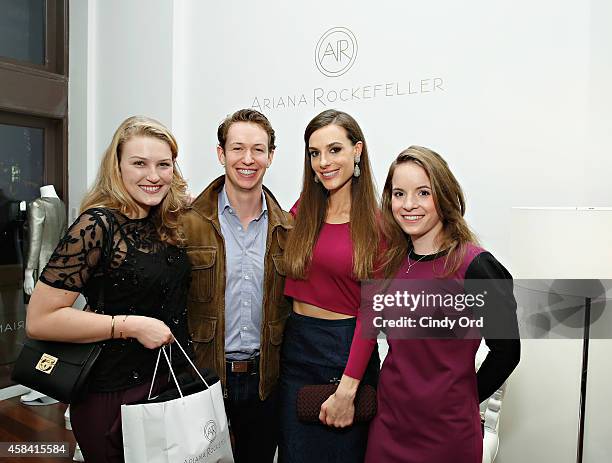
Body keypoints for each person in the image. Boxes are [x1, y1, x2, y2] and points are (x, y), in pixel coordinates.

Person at [25, 115, 191, 463]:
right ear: (117, 166)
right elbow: (41, 320)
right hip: (113, 395)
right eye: (139, 163)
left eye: (164, 164)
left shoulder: (164, 221)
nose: (153, 175)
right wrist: (129, 325)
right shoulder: (96, 225)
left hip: (166, 382)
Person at [348, 146, 521, 462]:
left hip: (448, 436)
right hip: (387, 430)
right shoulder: (389, 264)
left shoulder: (477, 267)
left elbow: (508, 352)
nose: (409, 204)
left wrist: (462, 399)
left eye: (422, 193)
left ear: (443, 195)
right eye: (399, 194)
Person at [181, 109, 293, 463]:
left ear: (271, 156)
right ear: (221, 153)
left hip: (265, 382)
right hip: (202, 375)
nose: (248, 159)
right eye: (237, 148)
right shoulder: (187, 224)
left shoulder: (288, 230)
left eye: (258, 150)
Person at [279, 109, 381, 462]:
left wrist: (348, 388)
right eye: (314, 153)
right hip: (295, 351)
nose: (323, 162)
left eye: (334, 149)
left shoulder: (379, 225)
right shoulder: (300, 212)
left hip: (345, 352)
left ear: (357, 150)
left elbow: (372, 315)